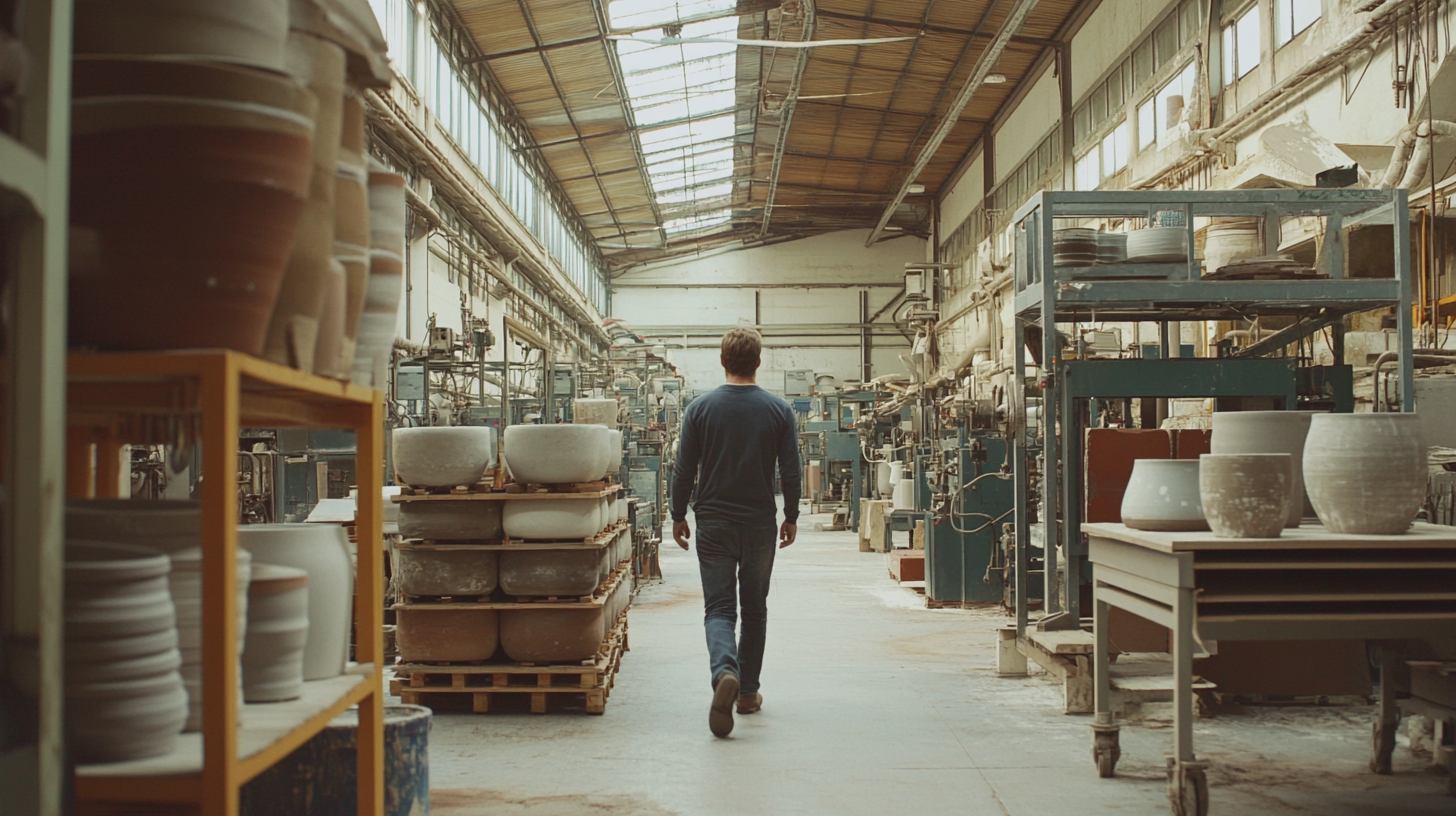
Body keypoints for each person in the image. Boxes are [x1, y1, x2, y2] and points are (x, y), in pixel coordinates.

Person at [671, 327, 801, 738]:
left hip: (713, 523)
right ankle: (746, 693)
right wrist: (792, 515)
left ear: (722, 362)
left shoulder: (699, 409)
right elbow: (792, 471)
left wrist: (677, 514)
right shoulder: (780, 411)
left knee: (720, 609)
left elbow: (684, 469)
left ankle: (724, 669)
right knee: (755, 609)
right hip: (760, 523)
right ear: (758, 362)